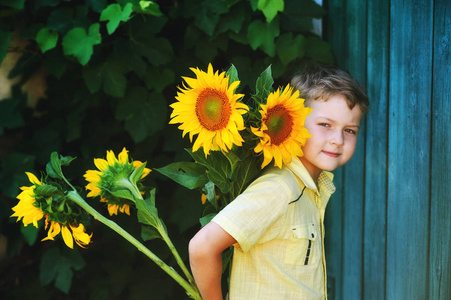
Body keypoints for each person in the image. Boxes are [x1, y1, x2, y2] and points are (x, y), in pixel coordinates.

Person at [188, 64, 369, 300]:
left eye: (350, 130)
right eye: (325, 125)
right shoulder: (280, 188)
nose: (337, 140)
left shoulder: (308, 190)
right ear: (294, 121)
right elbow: (203, 247)